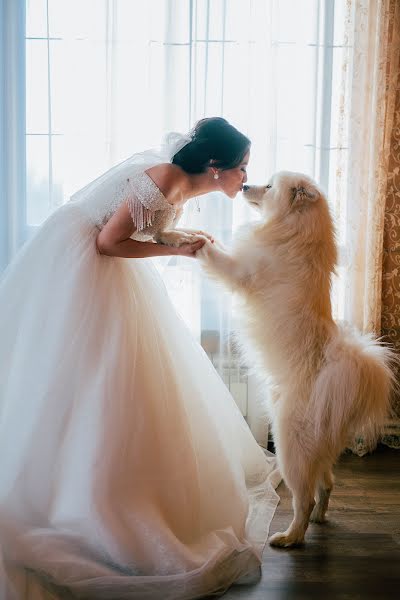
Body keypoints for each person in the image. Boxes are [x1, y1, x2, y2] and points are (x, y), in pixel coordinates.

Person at [0, 117, 278, 599]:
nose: (245, 177)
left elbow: (142, 228)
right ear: (216, 168)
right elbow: (108, 243)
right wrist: (180, 252)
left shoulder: (182, 182)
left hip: (102, 265)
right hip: (82, 268)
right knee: (95, 377)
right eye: (242, 168)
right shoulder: (169, 177)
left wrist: (177, 238)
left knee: (124, 383)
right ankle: (83, 501)